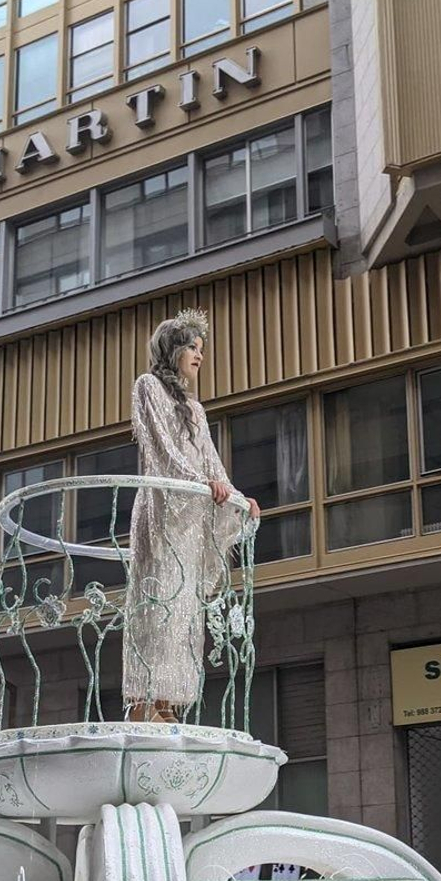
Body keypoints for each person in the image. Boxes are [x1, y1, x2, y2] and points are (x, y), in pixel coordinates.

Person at [123, 309, 259, 723]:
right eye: (192, 348)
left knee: (185, 609)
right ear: (173, 350)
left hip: (190, 519)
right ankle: (144, 701)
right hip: (161, 510)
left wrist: (235, 495)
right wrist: (200, 484)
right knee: (157, 602)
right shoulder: (148, 387)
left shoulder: (195, 409)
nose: (199, 356)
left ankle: (168, 703)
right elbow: (160, 449)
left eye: (202, 349)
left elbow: (212, 462)